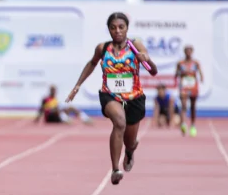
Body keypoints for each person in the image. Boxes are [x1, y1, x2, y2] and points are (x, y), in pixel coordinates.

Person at [65, 12, 158, 185]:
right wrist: (78, 85)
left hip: (134, 98)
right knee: (119, 122)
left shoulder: (135, 46)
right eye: (113, 27)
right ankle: (115, 169)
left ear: (127, 28)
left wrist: (147, 59)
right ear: (108, 29)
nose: (117, 31)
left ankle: (129, 152)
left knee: (130, 141)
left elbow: (153, 71)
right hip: (110, 95)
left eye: (121, 27)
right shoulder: (102, 48)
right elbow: (92, 63)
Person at [175, 45, 203, 137]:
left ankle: (193, 125)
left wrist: (201, 78)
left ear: (192, 52)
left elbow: (200, 74)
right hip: (184, 86)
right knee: (183, 105)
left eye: (189, 51)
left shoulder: (196, 63)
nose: (188, 53)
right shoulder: (180, 63)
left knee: (193, 106)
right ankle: (183, 123)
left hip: (193, 86)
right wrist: (181, 73)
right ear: (184, 52)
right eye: (186, 51)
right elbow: (176, 74)